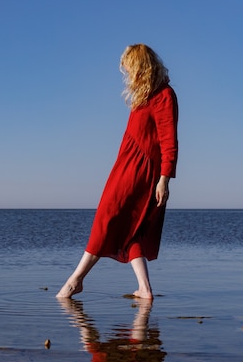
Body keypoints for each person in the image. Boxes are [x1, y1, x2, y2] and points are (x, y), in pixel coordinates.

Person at [56, 43, 178, 300]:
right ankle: (144, 289)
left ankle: (74, 281)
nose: (127, 75)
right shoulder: (144, 96)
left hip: (141, 172)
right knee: (130, 228)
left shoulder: (164, 95)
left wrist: (164, 180)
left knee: (106, 218)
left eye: (129, 68)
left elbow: (169, 141)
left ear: (141, 67)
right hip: (124, 167)